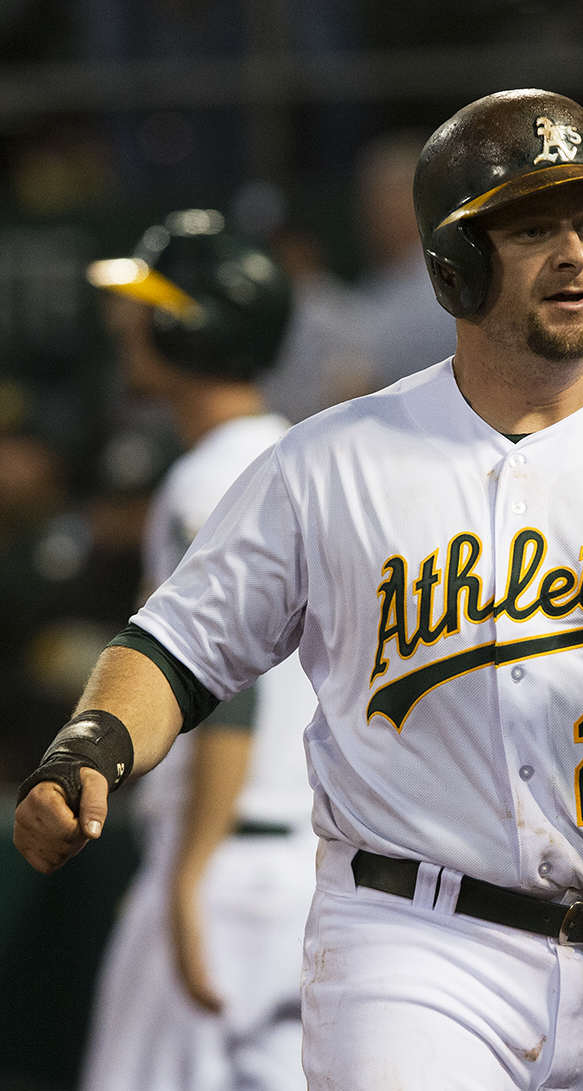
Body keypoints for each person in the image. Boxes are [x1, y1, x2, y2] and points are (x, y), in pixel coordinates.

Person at [13, 89, 583, 1091]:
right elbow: (172, 648)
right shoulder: (332, 461)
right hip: (411, 947)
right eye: (533, 228)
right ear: (452, 265)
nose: (575, 253)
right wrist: (90, 744)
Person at [77, 210, 318, 1090]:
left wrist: (188, 874)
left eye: (149, 302)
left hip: (223, 861)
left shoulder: (208, 476)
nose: (125, 320)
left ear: (193, 326)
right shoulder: (296, 457)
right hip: (301, 869)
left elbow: (231, 694)